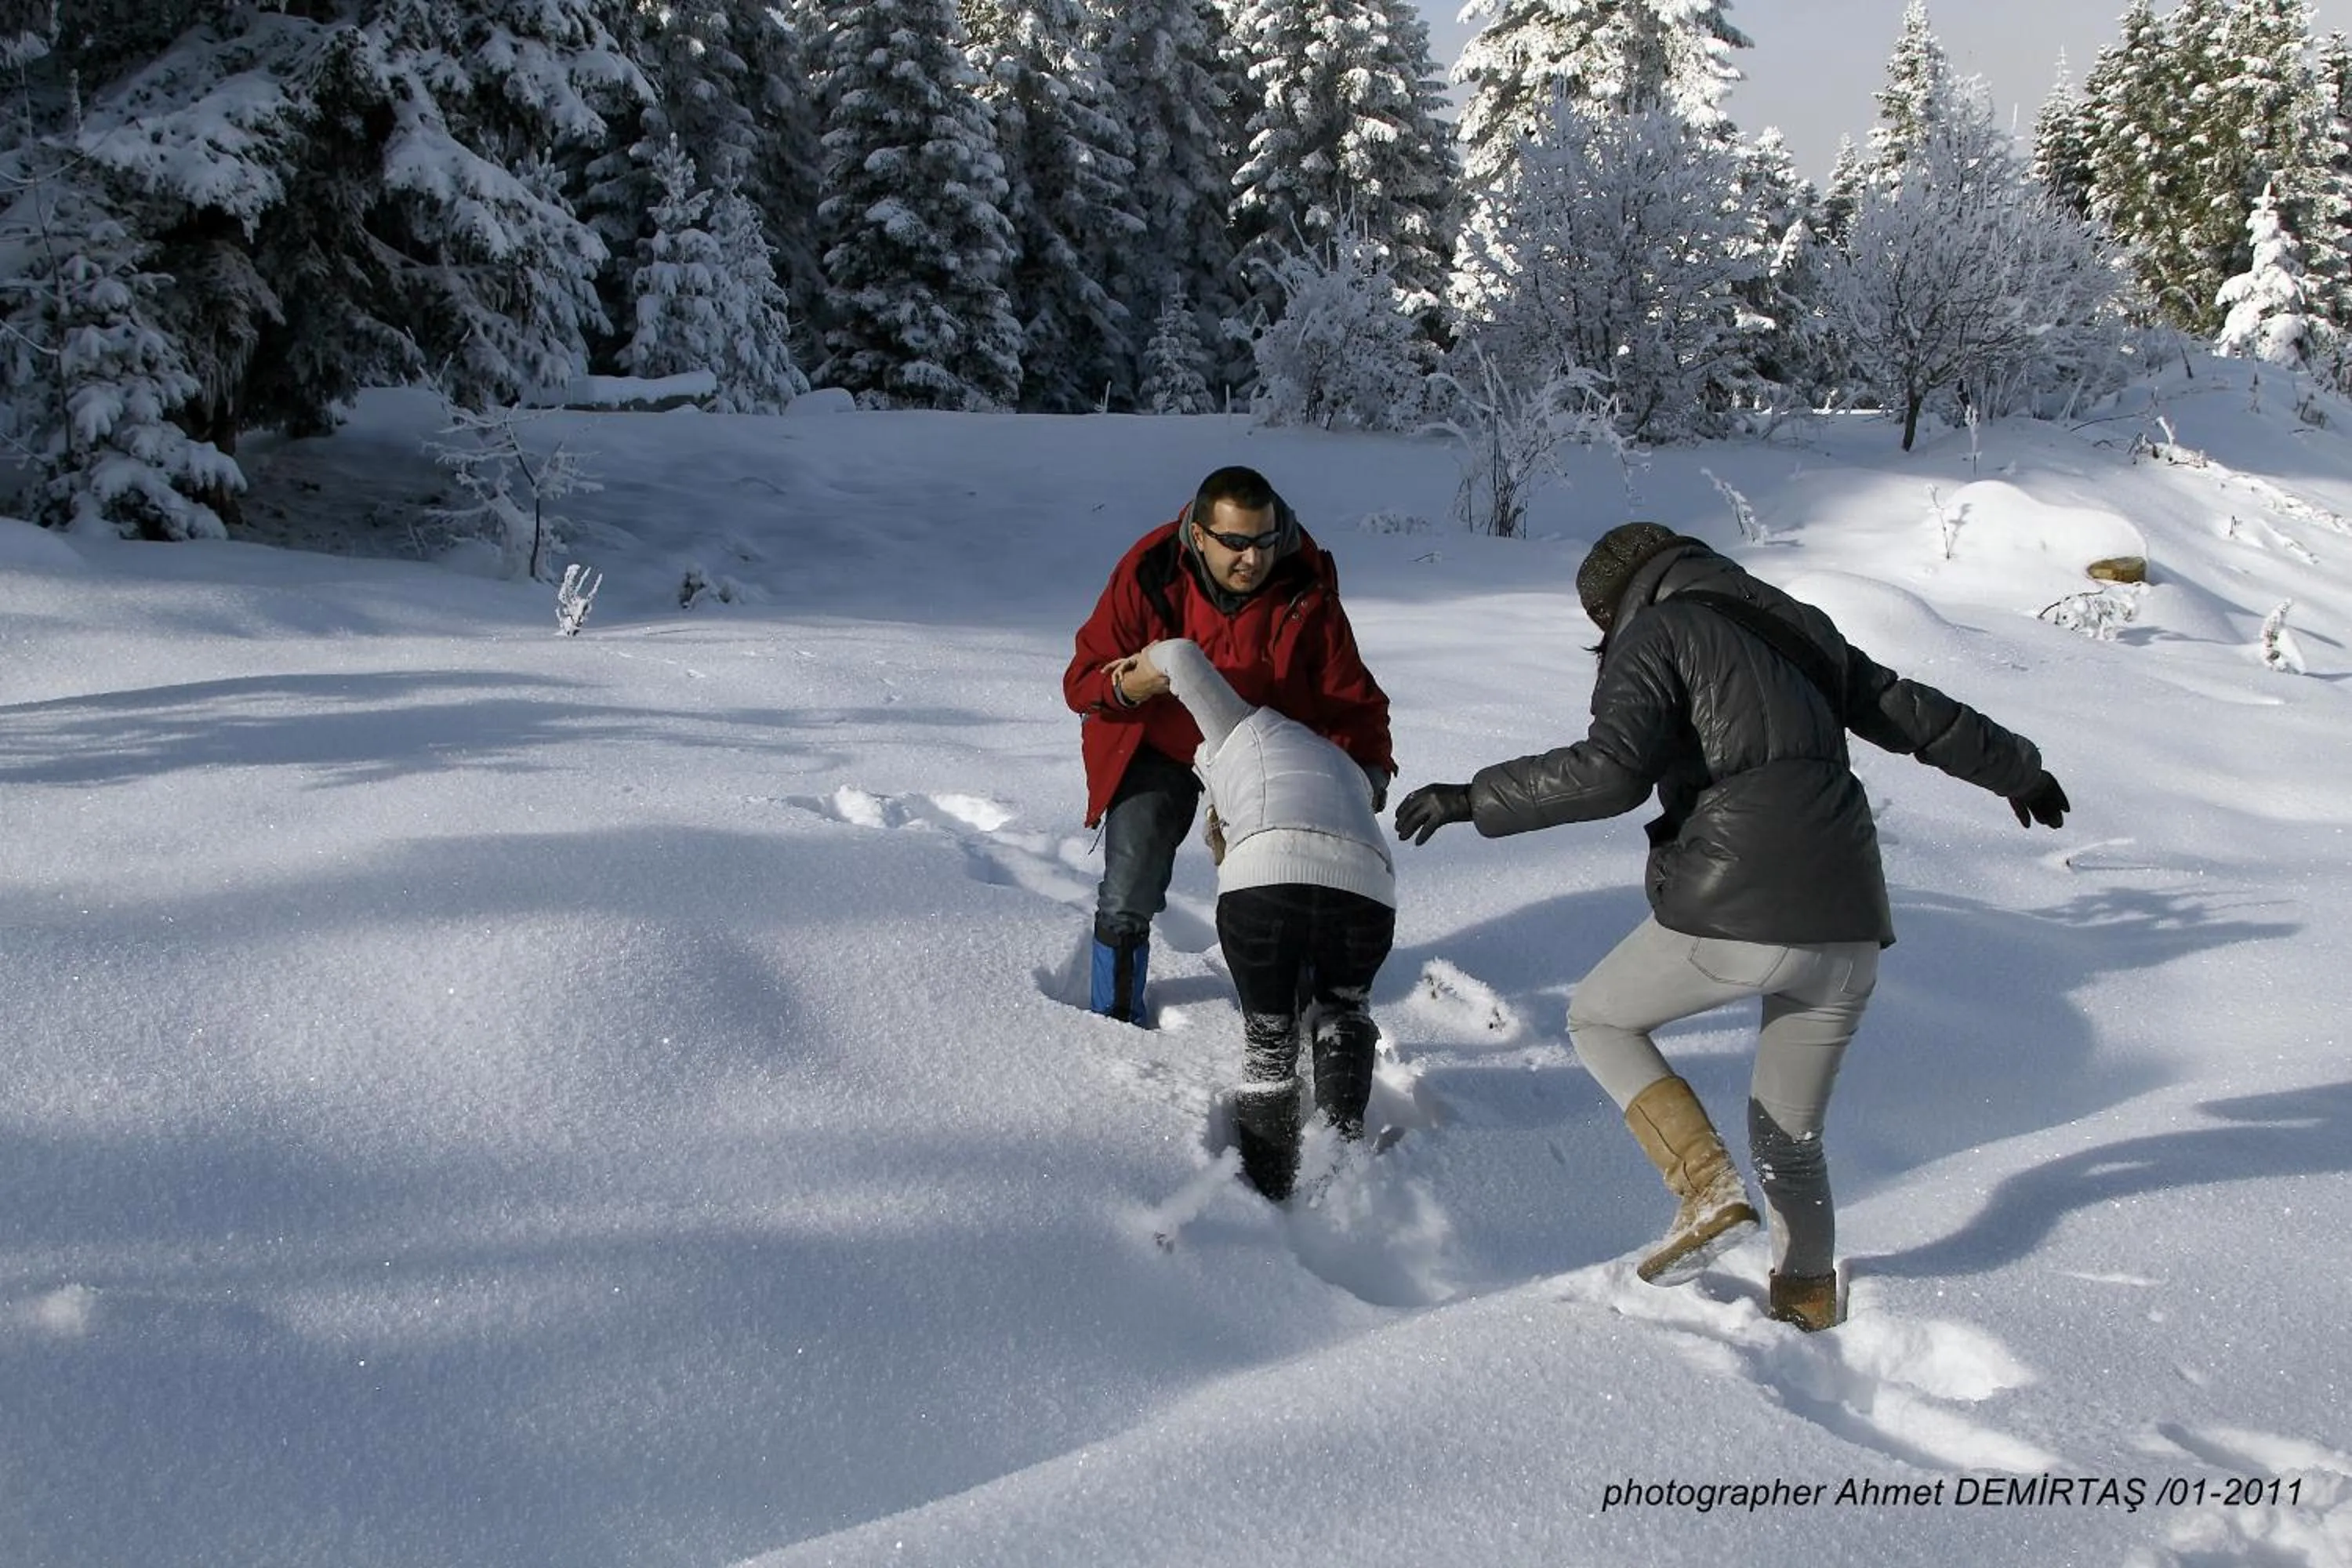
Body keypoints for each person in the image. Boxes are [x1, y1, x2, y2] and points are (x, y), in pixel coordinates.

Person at [1391, 521, 2071, 1332]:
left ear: (1611, 608)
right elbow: (1914, 713)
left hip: (1743, 898)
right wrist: (2020, 771)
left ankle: (1704, 1187)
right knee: (1789, 1136)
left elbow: (1611, 772)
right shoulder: (1800, 627)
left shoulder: (1658, 631)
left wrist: (1473, 797)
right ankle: (1807, 1308)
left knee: (1600, 1015)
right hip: (1849, 921)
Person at [1065, 465, 1393, 1026]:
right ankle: (1112, 1022)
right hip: (1160, 744)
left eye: (1265, 542)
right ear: (1199, 535)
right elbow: (1082, 682)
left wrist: (1365, 777)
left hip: (1261, 751)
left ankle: (1295, 1007)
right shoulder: (1150, 572)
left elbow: (1350, 698)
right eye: (1236, 544)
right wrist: (1126, 686)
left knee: (1289, 877)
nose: (1253, 558)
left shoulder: (1305, 587)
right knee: (1128, 888)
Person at [1105, 637, 1395, 1200]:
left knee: (1269, 1041)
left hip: (1264, 879)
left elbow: (1182, 658)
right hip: (1368, 891)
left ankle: (1271, 1191)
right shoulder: (1344, 764)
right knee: (1344, 1009)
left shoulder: (1241, 727)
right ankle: (1341, 1171)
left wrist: (1138, 666)